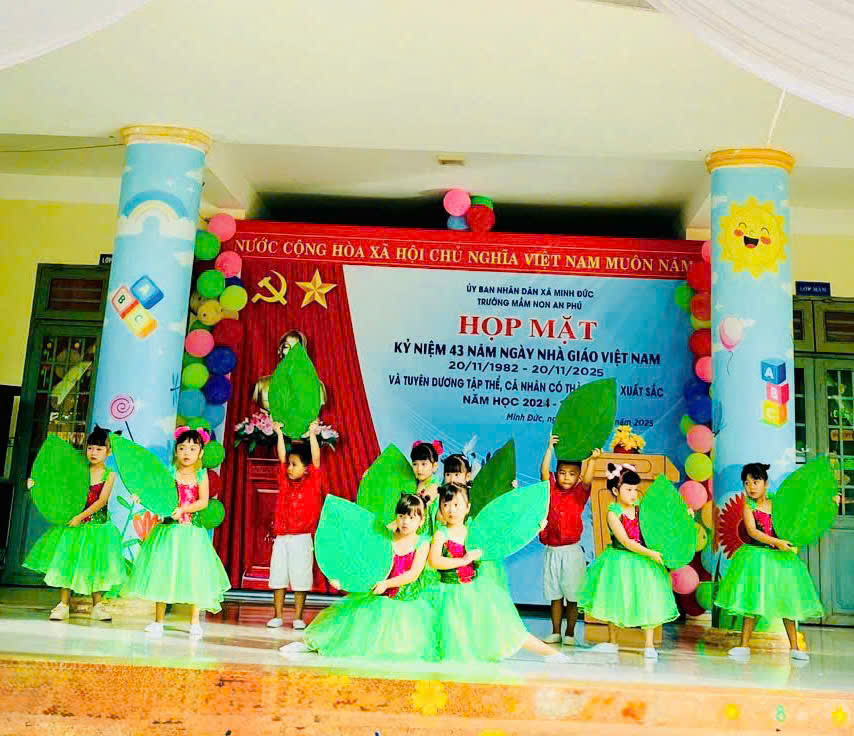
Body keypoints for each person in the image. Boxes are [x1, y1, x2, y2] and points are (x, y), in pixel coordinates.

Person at [280, 494, 437, 660]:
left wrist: (387, 583)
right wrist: (341, 579)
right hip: (377, 598)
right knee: (348, 634)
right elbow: (360, 560)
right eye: (402, 516)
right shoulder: (386, 536)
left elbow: (413, 574)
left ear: (421, 521)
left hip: (404, 601)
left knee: (396, 646)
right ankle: (313, 645)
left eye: (412, 518)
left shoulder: (422, 543)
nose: (405, 522)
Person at [429, 482, 570, 663]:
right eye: (446, 504)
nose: (451, 510)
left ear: (467, 507)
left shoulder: (473, 530)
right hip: (448, 593)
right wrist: (463, 560)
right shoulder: (441, 534)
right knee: (455, 633)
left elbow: (506, 537)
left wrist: (534, 527)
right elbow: (434, 561)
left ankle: (550, 653)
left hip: (474, 589)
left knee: (504, 625)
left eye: (456, 504)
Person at [716, 463, 834, 662]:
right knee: (752, 602)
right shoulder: (749, 506)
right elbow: (753, 532)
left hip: (782, 560)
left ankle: (794, 647)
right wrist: (777, 542)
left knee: (788, 602)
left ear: (766, 483)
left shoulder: (778, 503)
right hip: (757, 558)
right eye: (747, 483)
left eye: (756, 482)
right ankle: (744, 645)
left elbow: (803, 512)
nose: (751, 487)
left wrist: (828, 503)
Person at [123, 427, 230, 639]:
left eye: (192, 448)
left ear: (200, 452)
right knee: (162, 573)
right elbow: (155, 494)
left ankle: (194, 621)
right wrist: (140, 497)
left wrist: (184, 509)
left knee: (194, 575)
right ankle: (158, 621)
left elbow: (203, 502)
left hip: (191, 533)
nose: (186, 452)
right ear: (176, 451)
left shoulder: (201, 475)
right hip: (168, 531)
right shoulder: (169, 473)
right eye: (182, 448)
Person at [24, 426, 126, 621]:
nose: (93, 452)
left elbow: (102, 501)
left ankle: (97, 606)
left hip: (97, 528)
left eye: (99, 449)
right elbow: (58, 484)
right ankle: (63, 604)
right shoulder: (79, 469)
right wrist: (37, 484)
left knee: (96, 566)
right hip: (73, 527)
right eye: (90, 448)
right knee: (67, 564)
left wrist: (81, 516)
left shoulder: (109, 474)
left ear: (108, 452)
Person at [578, 463, 678, 660]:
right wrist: (650, 553)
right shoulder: (613, 513)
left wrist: (683, 515)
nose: (633, 494)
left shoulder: (641, 509)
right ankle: (612, 641)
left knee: (647, 599)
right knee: (614, 598)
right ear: (616, 491)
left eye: (635, 489)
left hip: (643, 562)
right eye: (628, 489)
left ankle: (649, 644)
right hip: (620, 560)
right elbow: (625, 541)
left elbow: (661, 521)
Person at [539, 435, 600, 645]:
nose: (566, 478)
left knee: (573, 595)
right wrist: (550, 449)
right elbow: (543, 472)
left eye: (572, 474)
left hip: (572, 552)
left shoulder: (579, 493)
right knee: (555, 594)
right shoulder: (550, 490)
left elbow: (588, 480)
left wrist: (592, 461)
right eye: (562, 473)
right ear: (557, 474)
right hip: (552, 551)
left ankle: (570, 634)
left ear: (577, 477)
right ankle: (556, 632)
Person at [267, 420, 324, 631]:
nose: (289, 468)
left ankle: (298, 617)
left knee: (301, 577)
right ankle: (277, 616)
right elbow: (282, 457)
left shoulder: (312, 481)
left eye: (294, 465)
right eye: (289, 464)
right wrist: (279, 434)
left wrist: (312, 434)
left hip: (302, 538)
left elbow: (316, 458)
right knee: (278, 575)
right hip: (282, 537)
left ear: (306, 468)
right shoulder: (284, 481)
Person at [411, 441, 442, 535]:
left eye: (424, 464)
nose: (419, 469)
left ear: (434, 466)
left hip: (426, 534)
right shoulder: (413, 482)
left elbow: (418, 508)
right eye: (415, 464)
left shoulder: (434, 486)